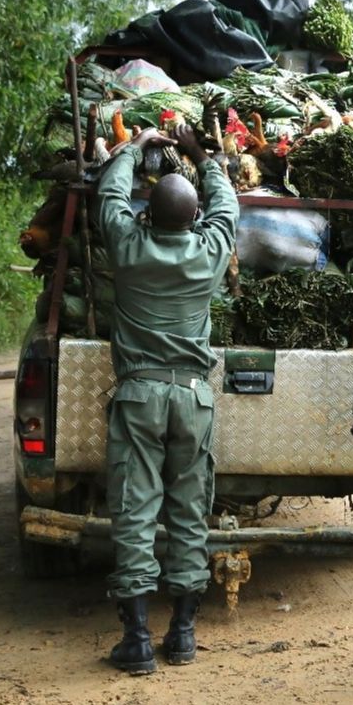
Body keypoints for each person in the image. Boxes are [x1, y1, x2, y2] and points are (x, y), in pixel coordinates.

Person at [96, 124, 238, 675]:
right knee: (188, 510)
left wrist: (135, 147)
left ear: (147, 215)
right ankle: (181, 634)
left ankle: (136, 640)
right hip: (193, 398)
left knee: (134, 510)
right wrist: (199, 152)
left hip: (139, 397)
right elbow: (225, 201)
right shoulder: (209, 250)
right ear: (194, 218)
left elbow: (110, 193)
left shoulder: (128, 246)